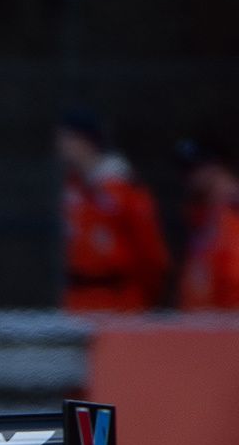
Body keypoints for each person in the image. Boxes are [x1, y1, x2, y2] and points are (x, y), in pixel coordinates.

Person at [57, 110, 170, 312]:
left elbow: (151, 255)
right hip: (79, 302)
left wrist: (143, 300)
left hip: (118, 301)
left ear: (86, 141)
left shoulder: (124, 188)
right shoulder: (73, 189)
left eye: (67, 137)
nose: (60, 145)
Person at [176, 138, 239, 311]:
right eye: (186, 170)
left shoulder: (232, 214)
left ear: (217, 166)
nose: (191, 177)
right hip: (201, 325)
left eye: (197, 168)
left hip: (227, 328)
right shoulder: (201, 218)